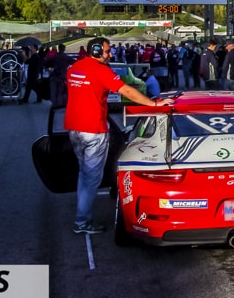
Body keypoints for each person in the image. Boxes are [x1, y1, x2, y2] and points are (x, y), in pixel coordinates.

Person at [64, 37, 171, 234]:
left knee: (84, 174)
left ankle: (82, 214)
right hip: (93, 130)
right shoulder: (101, 70)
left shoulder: (74, 68)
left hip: (74, 129)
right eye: (106, 51)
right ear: (96, 51)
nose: (110, 54)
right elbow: (127, 90)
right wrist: (153, 104)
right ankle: (82, 222)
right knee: (91, 179)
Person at [45, 43, 72, 108]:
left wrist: (50, 69)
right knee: (60, 92)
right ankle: (59, 105)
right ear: (64, 49)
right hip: (63, 77)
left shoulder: (55, 57)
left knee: (53, 91)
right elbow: (75, 62)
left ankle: (54, 104)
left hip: (54, 76)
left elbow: (46, 63)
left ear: (58, 49)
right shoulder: (67, 57)